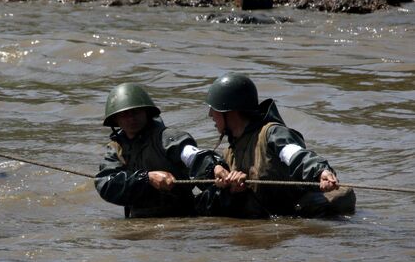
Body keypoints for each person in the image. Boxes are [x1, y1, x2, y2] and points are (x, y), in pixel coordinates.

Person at [202, 72, 356, 218]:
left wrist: (320, 172)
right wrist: (233, 191)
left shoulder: (272, 134)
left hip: (298, 214)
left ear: (231, 112)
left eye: (214, 109)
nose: (210, 115)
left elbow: (296, 154)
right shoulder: (228, 154)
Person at [95, 83, 226, 218]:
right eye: (124, 115)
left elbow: (193, 156)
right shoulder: (116, 149)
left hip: (181, 216)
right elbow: (105, 183)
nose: (131, 118)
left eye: (135, 112)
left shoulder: (167, 138)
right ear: (115, 119)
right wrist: (147, 178)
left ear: (146, 112)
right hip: (139, 219)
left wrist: (214, 168)